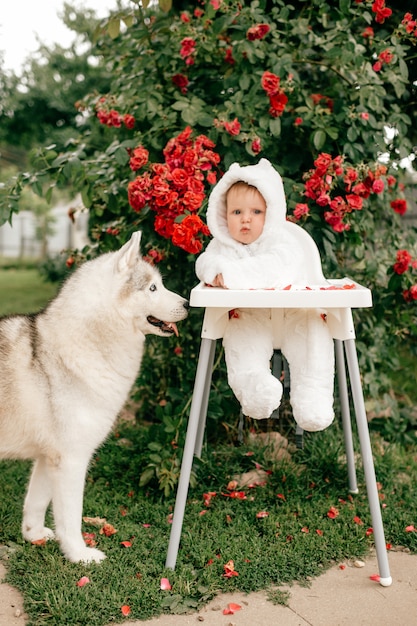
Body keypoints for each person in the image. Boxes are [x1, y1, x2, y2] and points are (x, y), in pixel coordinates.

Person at [195, 158, 335, 431]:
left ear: (271, 213)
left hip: (298, 315)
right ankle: (255, 388)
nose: (245, 218)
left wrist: (233, 276)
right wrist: (215, 272)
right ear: (223, 216)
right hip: (251, 317)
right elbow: (204, 264)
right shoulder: (221, 247)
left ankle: (313, 397)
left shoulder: (284, 242)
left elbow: (276, 270)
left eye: (256, 212)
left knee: (314, 340)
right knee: (240, 340)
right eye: (236, 212)